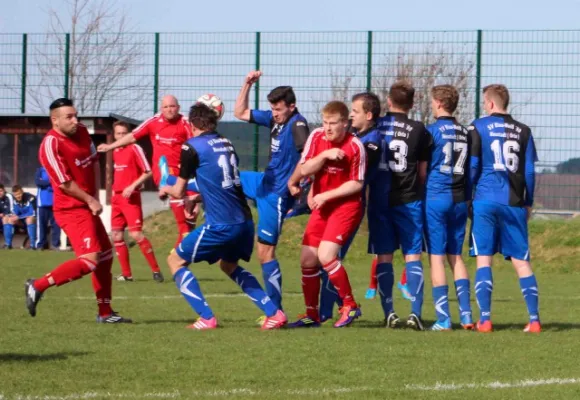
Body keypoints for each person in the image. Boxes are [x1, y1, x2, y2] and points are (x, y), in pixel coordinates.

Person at [159, 103, 287, 330]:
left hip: (221, 225)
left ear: (191, 124)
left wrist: (163, 185)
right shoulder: (226, 143)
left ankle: (207, 318)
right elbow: (221, 184)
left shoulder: (191, 147)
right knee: (228, 265)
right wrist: (196, 199)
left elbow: (178, 190)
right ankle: (274, 313)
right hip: (245, 222)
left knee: (175, 261)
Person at [24, 97, 131, 324]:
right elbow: (64, 183)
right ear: (54, 121)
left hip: (87, 203)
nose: (75, 120)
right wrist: (89, 200)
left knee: (105, 256)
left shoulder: (81, 131)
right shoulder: (50, 145)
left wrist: (97, 195)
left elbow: (93, 162)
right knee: (90, 260)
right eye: (69, 117)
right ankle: (37, 285)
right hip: (71, 208)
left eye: (76, 115)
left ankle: (105, 313)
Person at [234, 71, 310, 312]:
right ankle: (177, 185)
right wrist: (247, 85)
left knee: (265, 252)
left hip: (275, 195)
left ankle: (275, 311)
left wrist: (298, 183)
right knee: (228, 178)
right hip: (263, 181)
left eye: (279, 109)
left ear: (292, 106)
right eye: (273, 109)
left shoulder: (298, 124)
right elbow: (240, 113)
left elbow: (308, 157)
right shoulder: (274, 120)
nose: (275, 113)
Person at [287, 101, 365, 328]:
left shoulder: (355, 146)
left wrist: (326, 195)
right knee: (307, 259)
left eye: (333, 123)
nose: (328, 128)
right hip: (323, 205)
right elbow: (304, 169)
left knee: (326, 255)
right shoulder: (317, 137)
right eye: (325, 123)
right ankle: (312, 315)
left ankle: (350, 306)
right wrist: (325, 156)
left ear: (345, 123)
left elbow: (357, 184)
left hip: (345, 206)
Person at [469, 84, 540, 333]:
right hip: (514, 203)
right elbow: (530, 171)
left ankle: (485, 320)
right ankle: (534, 320)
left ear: (489, 104)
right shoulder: (524, 130)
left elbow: (474, 164)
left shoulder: (478, 126)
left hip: (485, 200)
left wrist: (469, 195)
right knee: (522, 262)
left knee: (484, 260)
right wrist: (528, 201)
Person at [97, 95, 196, 246]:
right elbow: (132, 136)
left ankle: (182, 244)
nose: (169, 110)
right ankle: (184, 233)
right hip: (163, 171)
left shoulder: (185, 124)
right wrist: (110, 147)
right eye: (166, 107)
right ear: (161, 109)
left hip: (183, 171)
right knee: (175, 191)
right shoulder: (154, 122)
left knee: (192, 208)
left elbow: (194, 147)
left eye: (172, 106)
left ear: (179, 107)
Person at [372, 81, 431, 331]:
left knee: (384, 255)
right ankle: (415, 313)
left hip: (380, 198)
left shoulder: (375, 124)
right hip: (409, 199)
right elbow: (423, 172)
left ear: (388, 101)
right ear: (412, 104)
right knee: (412, 256)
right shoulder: (419, 129)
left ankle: (389, 313)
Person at [424, 85, 473, 331]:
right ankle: (466, 316)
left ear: (440, 103)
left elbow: (423, 170)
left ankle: (443, 319)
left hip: (436, 197)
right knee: (456, 256)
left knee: (436, 258)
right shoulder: (466, 132)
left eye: (433, 102)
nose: (431, 105)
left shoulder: (431, 131)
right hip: (460, 199)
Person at [110, 121, 164, 283]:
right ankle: (127, 274)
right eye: (118, 133)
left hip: (131, 197)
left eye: (123, 133)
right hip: (116, 198)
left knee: (136, 234)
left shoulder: (135, 148)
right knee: (117, 235)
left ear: (129, 134)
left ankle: (156, 271)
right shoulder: (115, 150)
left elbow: (148, 171)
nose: (120, 136)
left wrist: (132, 186)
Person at [2, 185, 37, 250]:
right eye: (16, 195)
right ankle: (8, 244)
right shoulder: (14, 200)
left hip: (34, 220)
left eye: (19, 194)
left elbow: (33, 213)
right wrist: (13, 216)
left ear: (22, 192)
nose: (18, 196)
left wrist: (19, 217)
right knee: (6, 219)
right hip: (21, 221)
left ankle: (33, 245)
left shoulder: (31, 198)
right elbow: (14, 212)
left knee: (29, 219)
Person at [35, 166, 61, 250]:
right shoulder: (40, 170)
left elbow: (59, 182)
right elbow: (38, 182)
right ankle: (40, 244)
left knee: (56, 225)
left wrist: (46, 182)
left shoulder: (57, 169)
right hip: (42, 203)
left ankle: (55, 244)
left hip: (55, 203)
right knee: (41, 225)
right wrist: (51, 182)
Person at [0, 184, 14, 249]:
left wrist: (4, 214)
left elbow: (11, 210)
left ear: (4, 190)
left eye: (1, 191)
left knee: (6, 219)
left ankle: (8, 244)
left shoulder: (9, 196)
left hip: (9, 216)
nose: (0, 193)